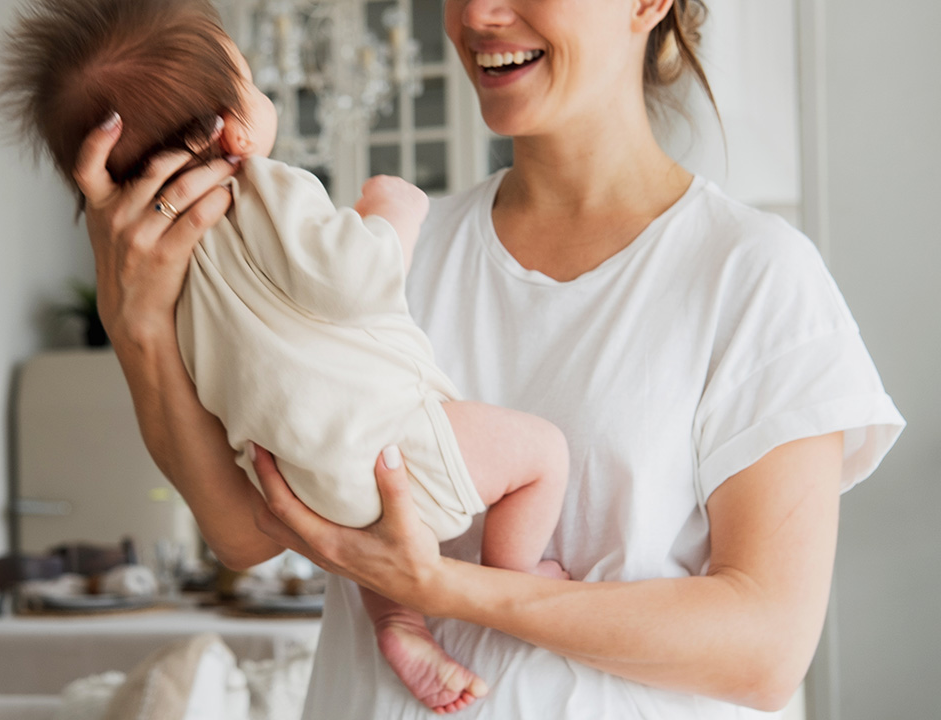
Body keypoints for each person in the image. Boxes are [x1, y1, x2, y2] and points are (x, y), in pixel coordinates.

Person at [67, 0, 906, 716]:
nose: (473, 15)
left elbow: (764, 651)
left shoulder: (753, 274)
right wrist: (137, 325)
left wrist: (443, 591)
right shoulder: (391, 245)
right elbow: (247, 532)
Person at [0, 0, 572, 713]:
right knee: (542, 454)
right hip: (393, 441)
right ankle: (515, 580)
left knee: (364, 527)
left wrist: (136, 316)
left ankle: (398, 622)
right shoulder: (265, 185)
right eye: (253, 77)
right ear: (233, 126)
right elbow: (357, 278)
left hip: (300, 479)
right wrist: (394, 212)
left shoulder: (166, 272)